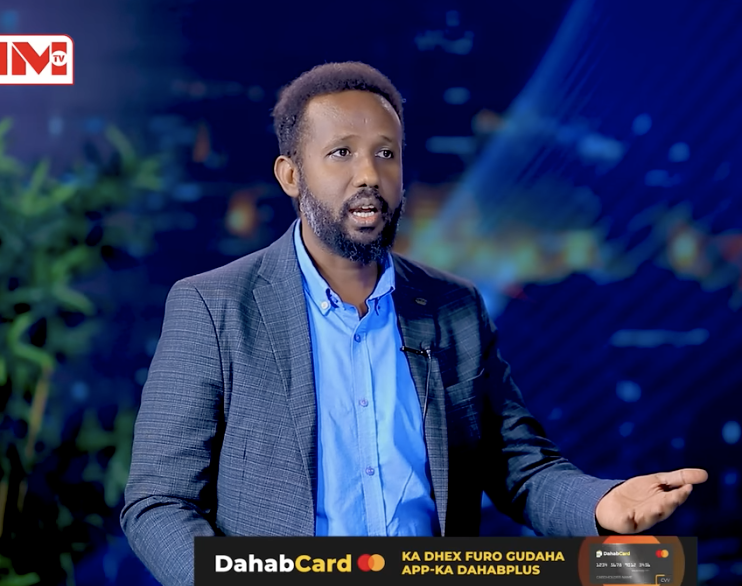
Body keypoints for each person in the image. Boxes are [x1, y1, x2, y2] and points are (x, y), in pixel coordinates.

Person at [121, 62, 708, 586]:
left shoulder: (454, 307)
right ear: (290, 175)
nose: (369, 174)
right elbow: (158, 503)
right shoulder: (213, 307)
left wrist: (603, 505)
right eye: (341, 153)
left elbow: (518, 464)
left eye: (386, 153)